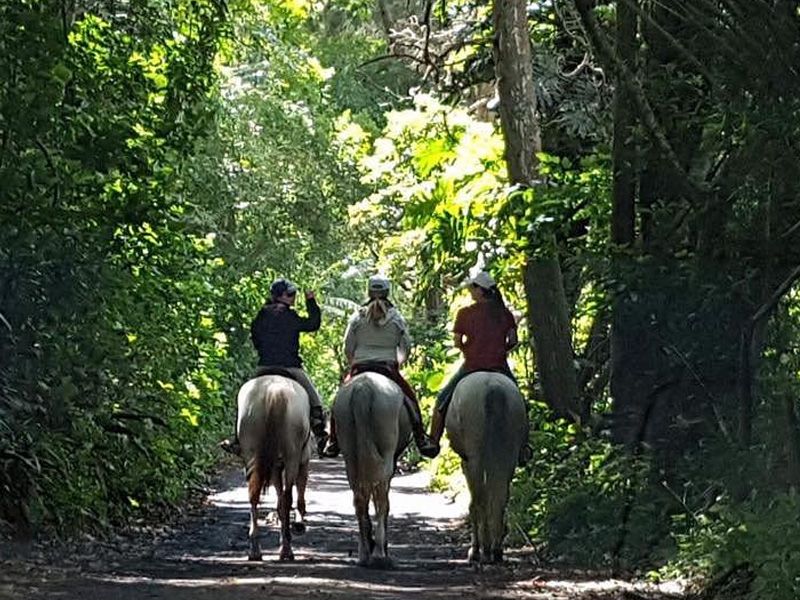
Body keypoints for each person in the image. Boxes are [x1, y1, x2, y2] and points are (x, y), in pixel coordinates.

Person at [322, 276, 439, 459]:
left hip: (360, 367)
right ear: (387, 292)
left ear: (368, 291)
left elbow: (348, 347)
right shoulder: (397, 318)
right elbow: (405, 347)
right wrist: (398, 361)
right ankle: (420, 437)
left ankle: (333, 441)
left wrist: (354, 362)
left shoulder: (357, 317)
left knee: (338, 402)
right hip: (387, 368)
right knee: (410, 400)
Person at [428, 271, 531, 464]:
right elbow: (513, 340)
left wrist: (470, 349)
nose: (469, 292)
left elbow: (458, 342)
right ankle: (523, 447)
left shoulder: (465, 313)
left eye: (471, 288)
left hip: (472, 366)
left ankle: (433, 440)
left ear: (479, 291)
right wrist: (501, 349)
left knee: (441, 402)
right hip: (499, 365)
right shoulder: (504, 313)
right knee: (522, 405)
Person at [220, 278, 328, 455]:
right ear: (282, 296)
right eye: (291, 294)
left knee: (243, 399)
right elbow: (312, 324)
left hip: (265, 366)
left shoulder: (261, 316)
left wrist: (264, 351)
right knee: (314, 398)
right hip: (290, 367)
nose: (294, 298)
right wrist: (311, 302)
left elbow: (255, 336)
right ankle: (319, 432)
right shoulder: (289, 315)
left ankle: (238, 439)